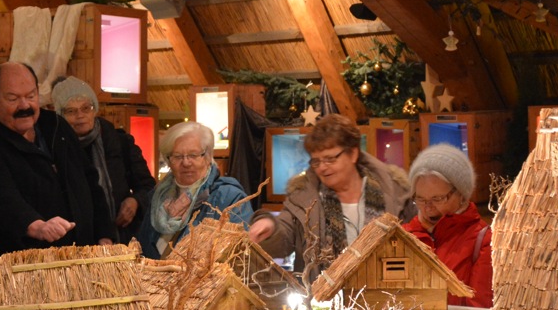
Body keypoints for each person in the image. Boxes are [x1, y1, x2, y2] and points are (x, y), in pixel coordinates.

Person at [0, 62, 113, 263]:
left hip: (82, 259)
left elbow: (90, 181)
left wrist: (105, 234)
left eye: (31, 96)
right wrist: (37, 226)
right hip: (26, 266)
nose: (24, 106)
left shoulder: (57, 126)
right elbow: (0, 199)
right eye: (13, 98)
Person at [249, 114, 409, 284]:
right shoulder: (303, 198)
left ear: (353, 154)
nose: (323, 168)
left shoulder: (393, 193)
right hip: (322, 297)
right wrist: (270, 227)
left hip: (386, 293)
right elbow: (284, 237)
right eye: (316, 162)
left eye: (330, 159)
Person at [51, 76, 156, 245]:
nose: (80, 115)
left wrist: (135, 201)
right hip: (76, 240)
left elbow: (148, 186)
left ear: (95, 109)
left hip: (122, 236)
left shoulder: (119, 142)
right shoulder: (56, 149)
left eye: (86, 108)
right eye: (71, 111)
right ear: (60, 115)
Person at [136, 121, 252, 257]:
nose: (186, 163)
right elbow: (141, 249)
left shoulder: (229, 198)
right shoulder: (157, 198)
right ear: (169, 160)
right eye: (177, 156)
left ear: (208, 157)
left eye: (193, 155)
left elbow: (240, 254)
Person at [402, 144, 492, 308]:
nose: (428, 208)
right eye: (420, 199)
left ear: (461, 195)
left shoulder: (483, 240)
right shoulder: (404, 236)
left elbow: (479, 309)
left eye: (437, 199)